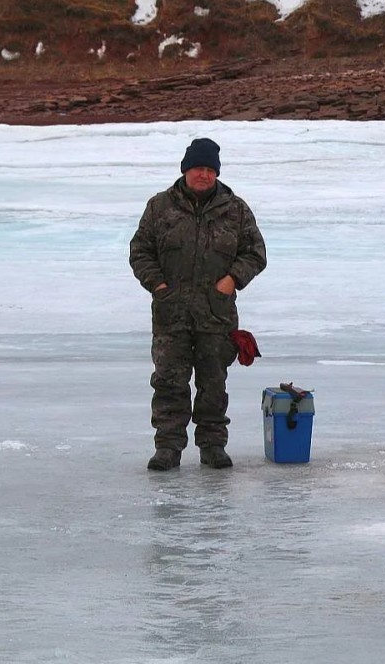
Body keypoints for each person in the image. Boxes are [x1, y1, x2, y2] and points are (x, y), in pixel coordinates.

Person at [129, 138, 267, 471]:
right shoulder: (160, 207)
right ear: (185, 170)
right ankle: (167, 448)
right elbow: (140, 251)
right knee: (169, 382)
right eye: (197, 169)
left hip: (216, 315)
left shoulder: (235, 210)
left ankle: (213, 446)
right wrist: (159, 285)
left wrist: (231, 280)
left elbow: (255, 253)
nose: (203, 175)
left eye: (209, 170)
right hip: (170, 313)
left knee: (213, 383)